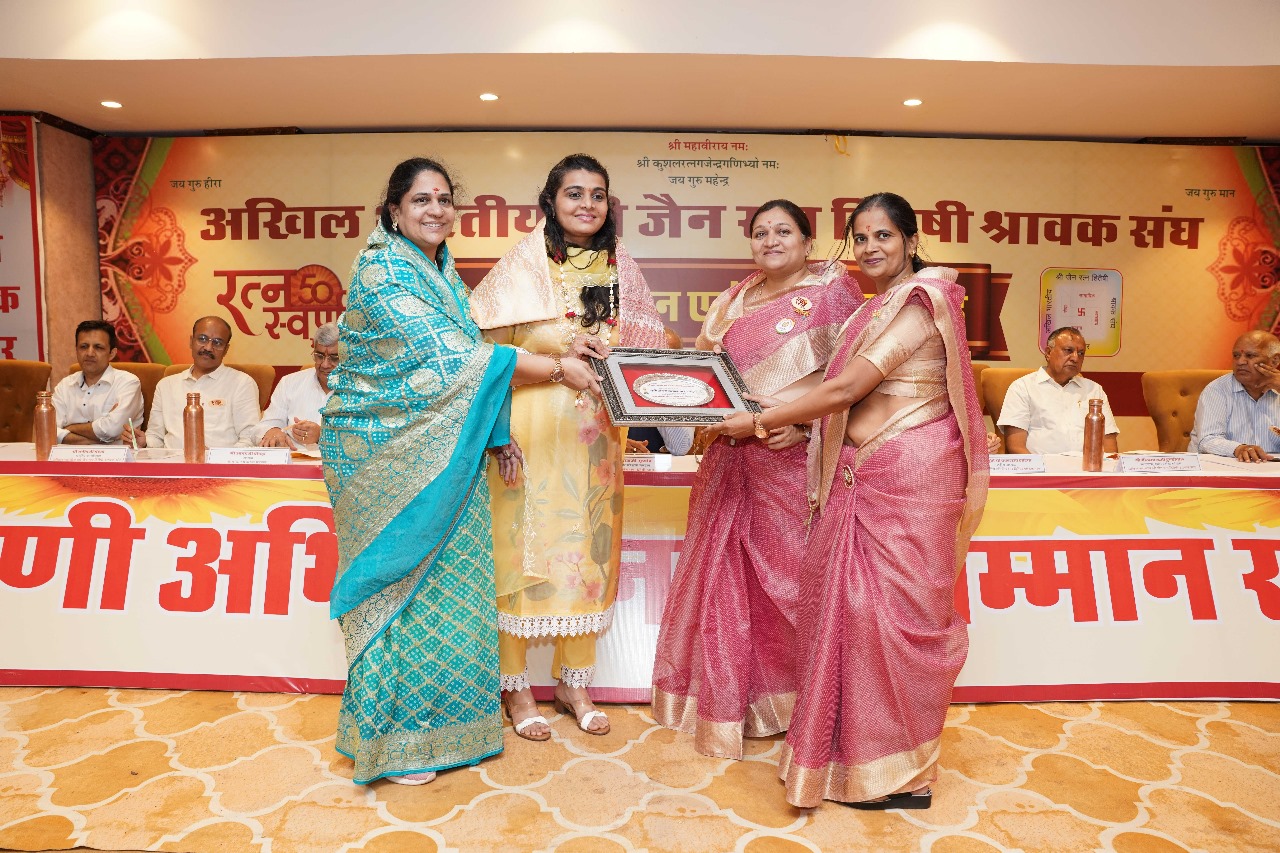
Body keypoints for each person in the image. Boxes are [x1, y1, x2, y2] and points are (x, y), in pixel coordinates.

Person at [320, 157, 600, 786]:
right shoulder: (383, 271)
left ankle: (444, 734)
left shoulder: (441, 272)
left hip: (449, 452)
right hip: (384, 458)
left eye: (444, 199)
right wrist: (560, 369)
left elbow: (470, 367)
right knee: (398, 591)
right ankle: (393, 744)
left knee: (447, 595)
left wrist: (497, 436)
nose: (436, 210)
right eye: (422, 200)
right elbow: (459, 363)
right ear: (394, 210)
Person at [711, 192, 988, 809]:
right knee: (854, 619)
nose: (869, 248)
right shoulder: (875, 306)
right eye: (860, 238)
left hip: (911, 478)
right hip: (860, 473)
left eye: (883, 235)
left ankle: (907, 774)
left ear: (910, 240)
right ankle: (855, 759)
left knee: (898, 625)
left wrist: (758, 421)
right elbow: (839, 393)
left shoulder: (923, 300)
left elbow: (845, 390)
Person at [651, 199, 860, 759]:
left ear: (808, 242)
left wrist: (809, 427)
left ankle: (812, 704)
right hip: (731, 461)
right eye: (760, 232)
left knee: (797, 587)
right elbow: (703, 378)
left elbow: (855, 382)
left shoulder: (834, 293)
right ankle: (738, 707)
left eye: (783, 231)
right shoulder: (731, 302)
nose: (771, 240)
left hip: (792, 462)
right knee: (730, 586)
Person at [470, 154, 664, 742]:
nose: (587, 204)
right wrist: (546, 372)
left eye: (597, 194)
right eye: (574, 193)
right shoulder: (521, 265)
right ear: (550, 202)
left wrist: (617, 353)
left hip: (596, 441)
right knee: (520, 557)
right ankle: (516, 688)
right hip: (528, 437)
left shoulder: (620, 265)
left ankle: (574, 684)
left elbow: (652, 347)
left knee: (587, 556)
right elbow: (484, 358)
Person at [124, 316, 259, 450]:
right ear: (191, 341)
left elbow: (250, 438)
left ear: (226, 349)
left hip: (219, 463)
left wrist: (215, 456)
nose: (208, 347)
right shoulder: (166, 385)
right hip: (171, 461)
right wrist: (144, 442)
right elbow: (155, 436)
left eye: (217, 342)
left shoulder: (242, 383)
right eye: (202, 339)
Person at [997, 327, 1118, 454]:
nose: (1075, 358)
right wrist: (1041, 467)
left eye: (1081, 353)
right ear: (1048, 353)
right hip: (1041, 465)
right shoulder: (1023, 388)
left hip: (1086, 465)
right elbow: (1016, 447)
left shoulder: (1094, 390)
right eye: (1068, 350)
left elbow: (1109, 444)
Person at [1188, 329, 1280, 462]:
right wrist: (1239, 449)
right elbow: (1207, 440)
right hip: (1221, 467)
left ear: (1275, 361)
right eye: (1236, 355)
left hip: (1272, 468)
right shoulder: (1217, 390)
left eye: (1250, 356)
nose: (1240, 361)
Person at [51, 320, 143, 445]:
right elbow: (50, 430)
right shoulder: (65, 386)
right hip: (68, 456)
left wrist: (69, 428)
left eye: (98, 347)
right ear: (76, 350)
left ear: (112, 353)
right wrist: (100, 437)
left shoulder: (128, 383)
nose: (90, 353)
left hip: (116, 457)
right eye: (84, 347)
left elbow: (112, 429)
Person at [257, 322, 340, 449]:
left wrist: (322, 435)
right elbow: (264, 426)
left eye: (334, 358)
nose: (325, 364)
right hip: (294, 460)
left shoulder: (363, 389)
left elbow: (367, 440)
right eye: (319, 356)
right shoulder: (289, 383)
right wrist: (272, 431)